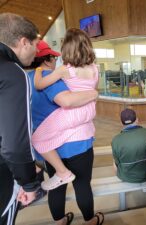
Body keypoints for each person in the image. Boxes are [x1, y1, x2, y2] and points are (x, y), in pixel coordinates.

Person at [28, 38, 103, 224]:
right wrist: (93, 94)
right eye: (53, 58)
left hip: (51, 148)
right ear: (46, 60)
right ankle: (90, 220)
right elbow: (68, 101)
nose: (55, 62)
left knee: (56, 186)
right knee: (82, 184)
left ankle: (60, 221)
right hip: (77, 143)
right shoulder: (53, 80)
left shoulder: (26, 80)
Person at [0, 13, 40, 225]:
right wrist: (29, 184)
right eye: (36, 44)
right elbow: (15, 145)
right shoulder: (12, 73)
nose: (37, 51)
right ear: (24, 42)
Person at [111, 108, 146, 183]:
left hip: (127, 177)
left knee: (114, 160)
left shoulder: (116, 140)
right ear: (137, 120)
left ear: (121, 123)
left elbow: (117, 163)